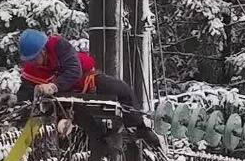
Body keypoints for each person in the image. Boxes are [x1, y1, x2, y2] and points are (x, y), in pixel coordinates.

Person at [15, 29, 161, 149]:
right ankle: (106, 146)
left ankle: (141, 128)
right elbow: (25, 92)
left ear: (43, 51)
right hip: (67, 102)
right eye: (30, 60)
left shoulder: (60, 47)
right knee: (91, 126)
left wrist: (53, 86)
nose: (33, 63)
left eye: (35, 58)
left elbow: (74, 70)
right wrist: (17, 103)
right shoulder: (31, 70)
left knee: (121, 90)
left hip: (87, 81)